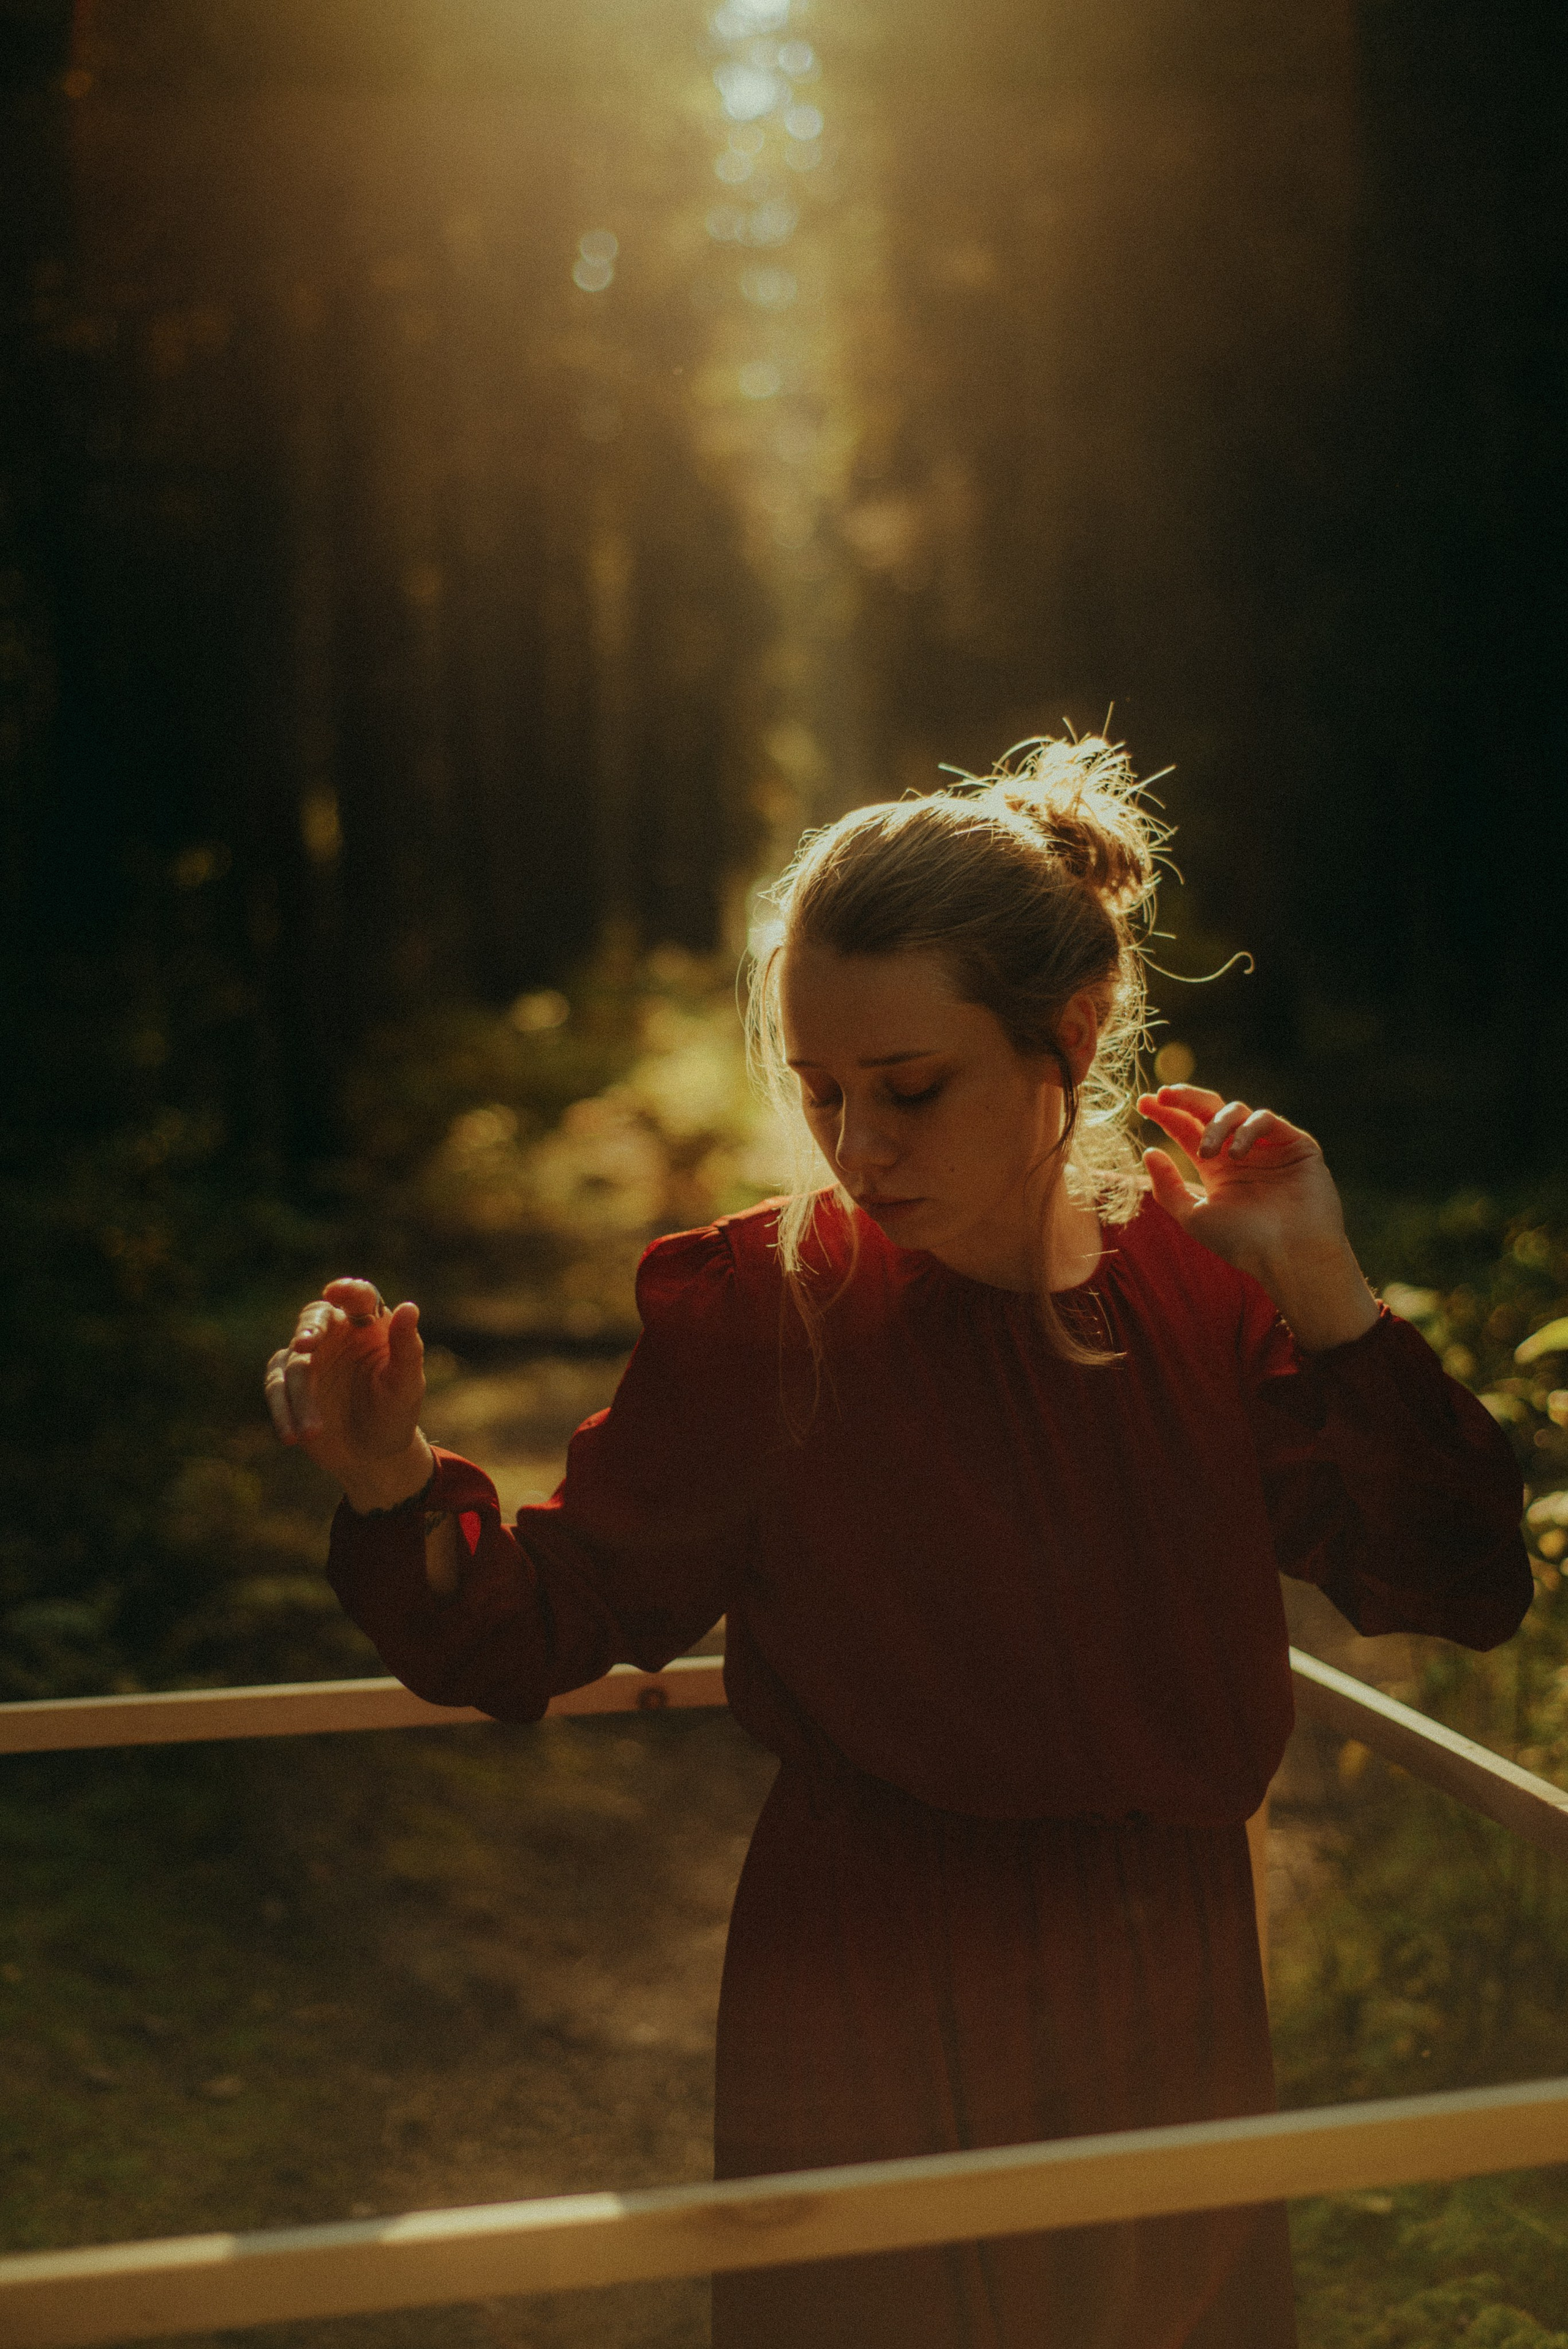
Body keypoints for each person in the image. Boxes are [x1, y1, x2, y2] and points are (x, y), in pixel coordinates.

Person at [265, 736, 1531, 2349]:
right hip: (866, 1999)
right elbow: (540, 1612)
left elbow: (1458, 1580)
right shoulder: (761, 1316)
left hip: (1173, 1995)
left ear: (1068, 1036)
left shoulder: (1202, 1291)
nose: (856, 1147)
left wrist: (1326, 1287)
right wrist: (392, 1480)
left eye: (909, 1088)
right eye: (819, 1091)